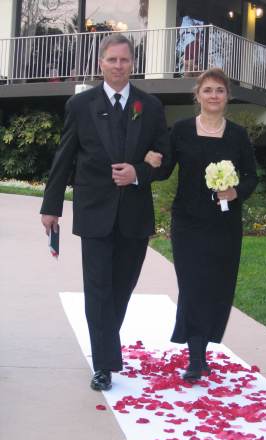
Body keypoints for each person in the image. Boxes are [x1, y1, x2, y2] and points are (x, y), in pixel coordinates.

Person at [40, 34, 170, 391]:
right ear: (101, 63)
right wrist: (51, 206)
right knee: (98, 290)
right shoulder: (80, 106)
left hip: (134, 216)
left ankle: (105, 349)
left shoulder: (151, 106)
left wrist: (139, 173)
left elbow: (165, 158)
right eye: (111, 60)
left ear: (132, 64)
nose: (118, 66)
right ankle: (104, 364)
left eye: (124, 60)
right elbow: (64, 156)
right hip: (94, 212)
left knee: (120, 289)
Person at [146, 68, 258, 382]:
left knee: (218, 287)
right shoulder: (181, 130)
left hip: (225, 224)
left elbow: (251, 176)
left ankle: (205, 347)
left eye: (219, 91)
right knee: (193, 286)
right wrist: (149, 163)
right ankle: (196, 357)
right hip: (188, 223)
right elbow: (165, 168)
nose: (213, 96)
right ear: (197, 95)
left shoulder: (237, 135)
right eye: (207, 90)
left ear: (227, 97)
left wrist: (235, 191)